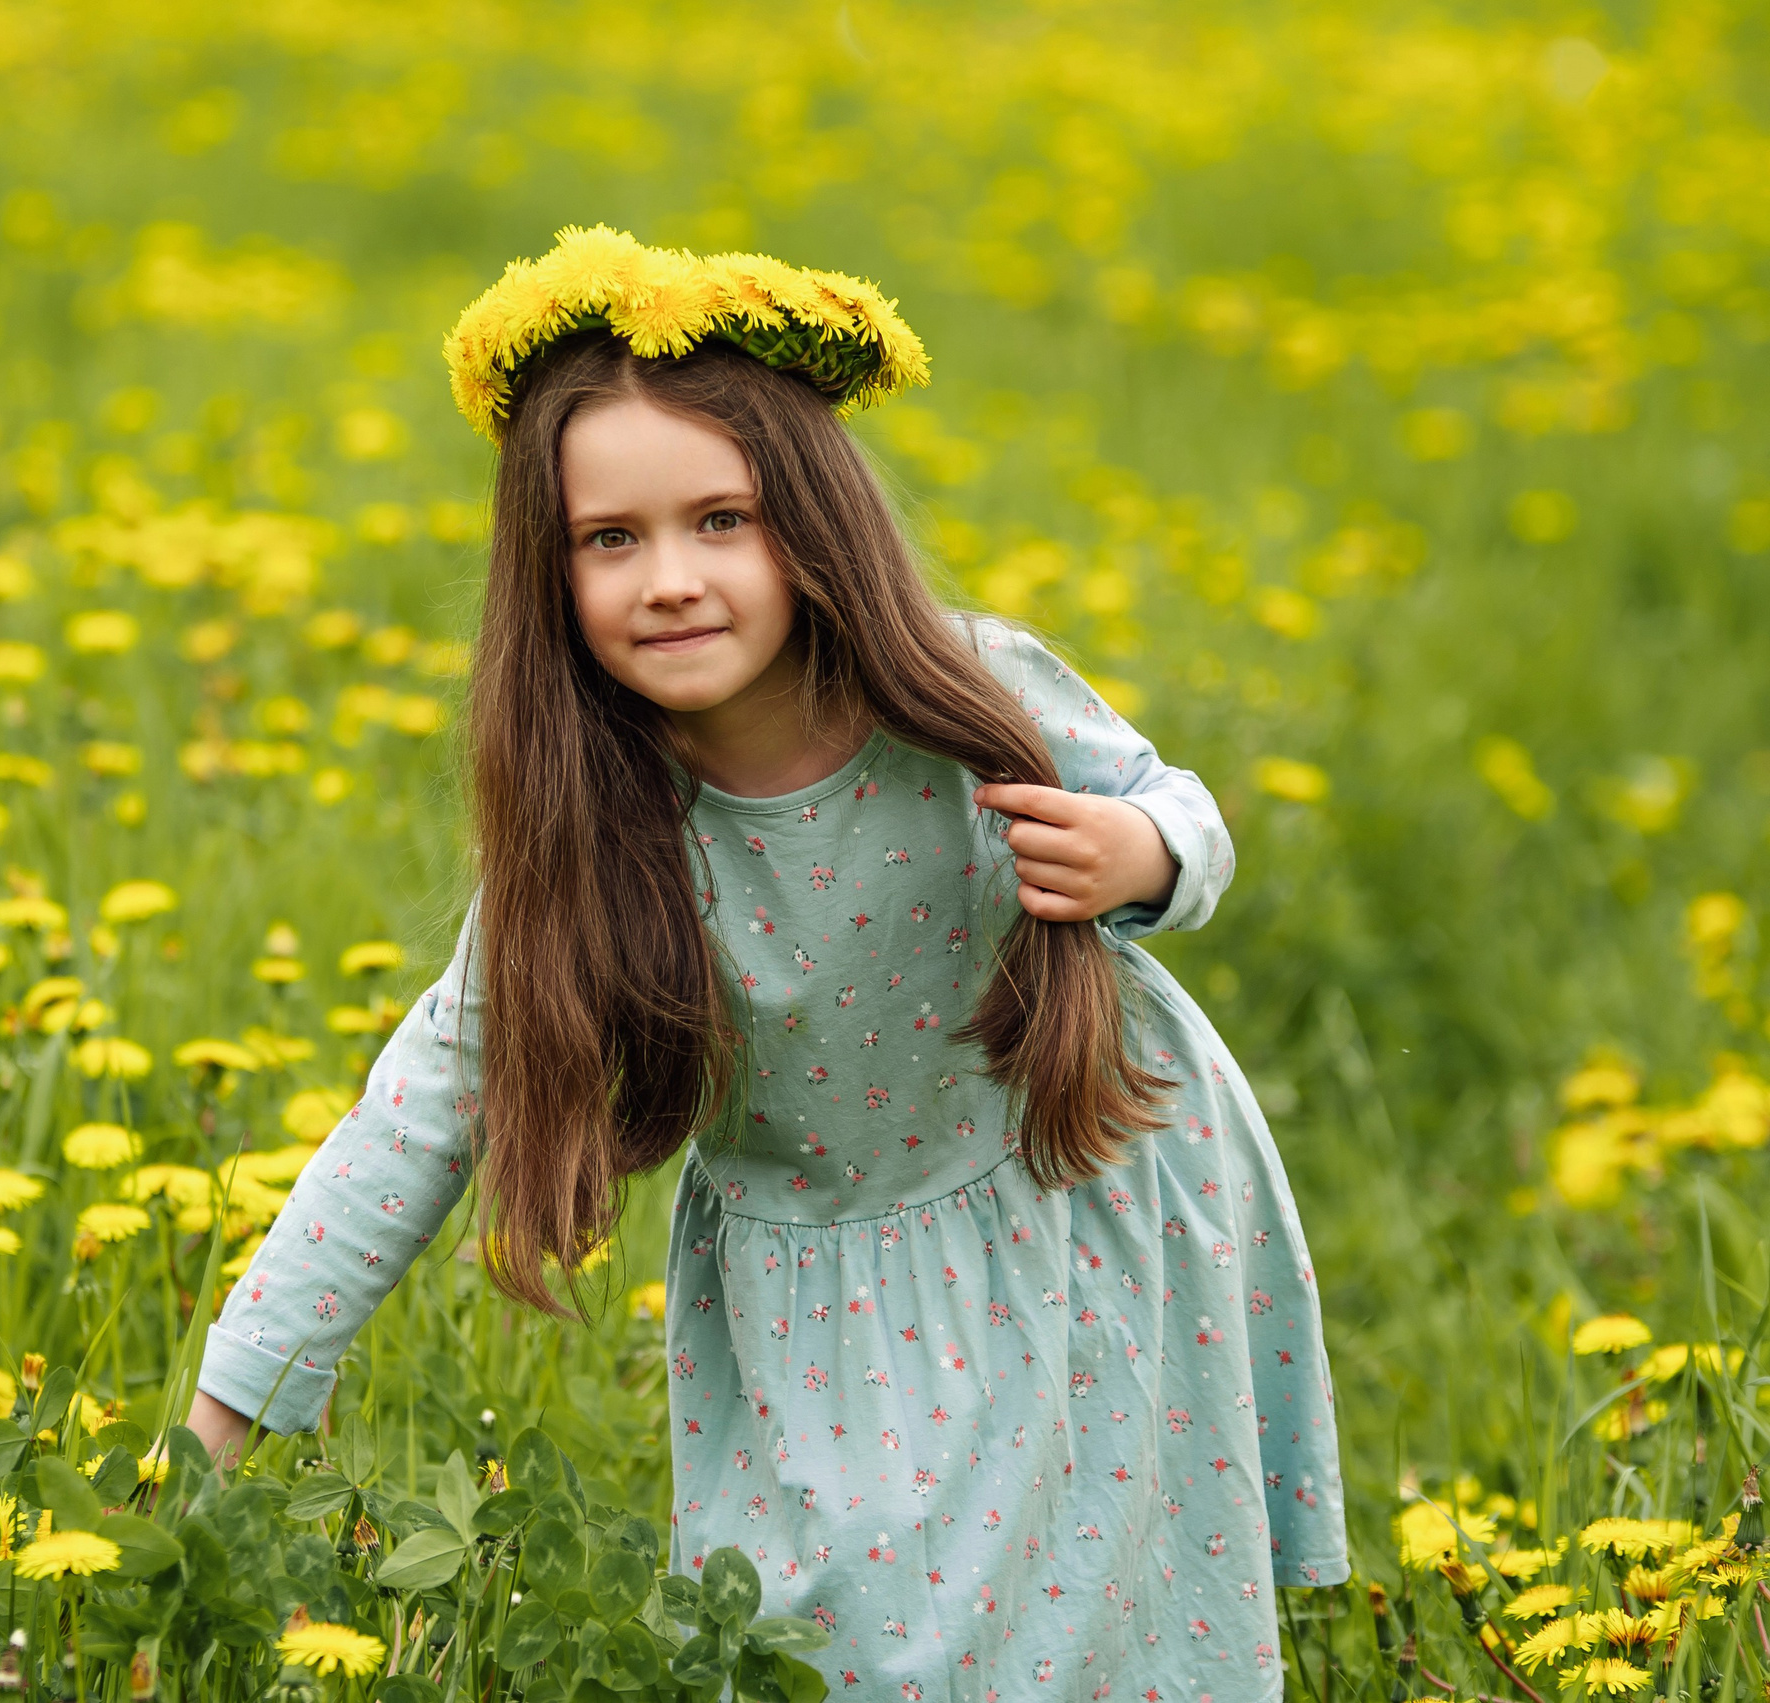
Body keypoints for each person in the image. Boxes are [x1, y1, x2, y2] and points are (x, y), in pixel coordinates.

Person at [186, 226, 1346, 1701]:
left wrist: (1142, 856)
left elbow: (1184, 811)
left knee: (1091, 1626)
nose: (669, 577)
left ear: (812, 523)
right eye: (611, 540)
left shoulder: (967, 693)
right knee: (832, 1651)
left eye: (720, 521)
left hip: (1075, 1193)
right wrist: (232, 1411)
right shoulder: (590, 832)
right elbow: (419, 1112)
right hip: (823, 1296)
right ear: (551, 571)